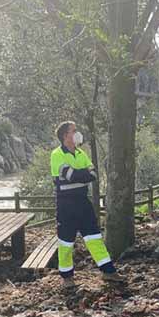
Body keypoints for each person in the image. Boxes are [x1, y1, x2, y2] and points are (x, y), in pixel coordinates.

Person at [50, 121, 123, 289]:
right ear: (65, 135)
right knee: (66, 242)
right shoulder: (57, 154)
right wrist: (83, 174)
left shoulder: (81, 153)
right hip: (66, 205)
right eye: (74, 131)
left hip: (83, 203)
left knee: (94, 238)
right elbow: (71, 175)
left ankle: (108, 271)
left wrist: (80, 174)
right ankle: (67, 277)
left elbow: (93, 174)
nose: (77, 133)